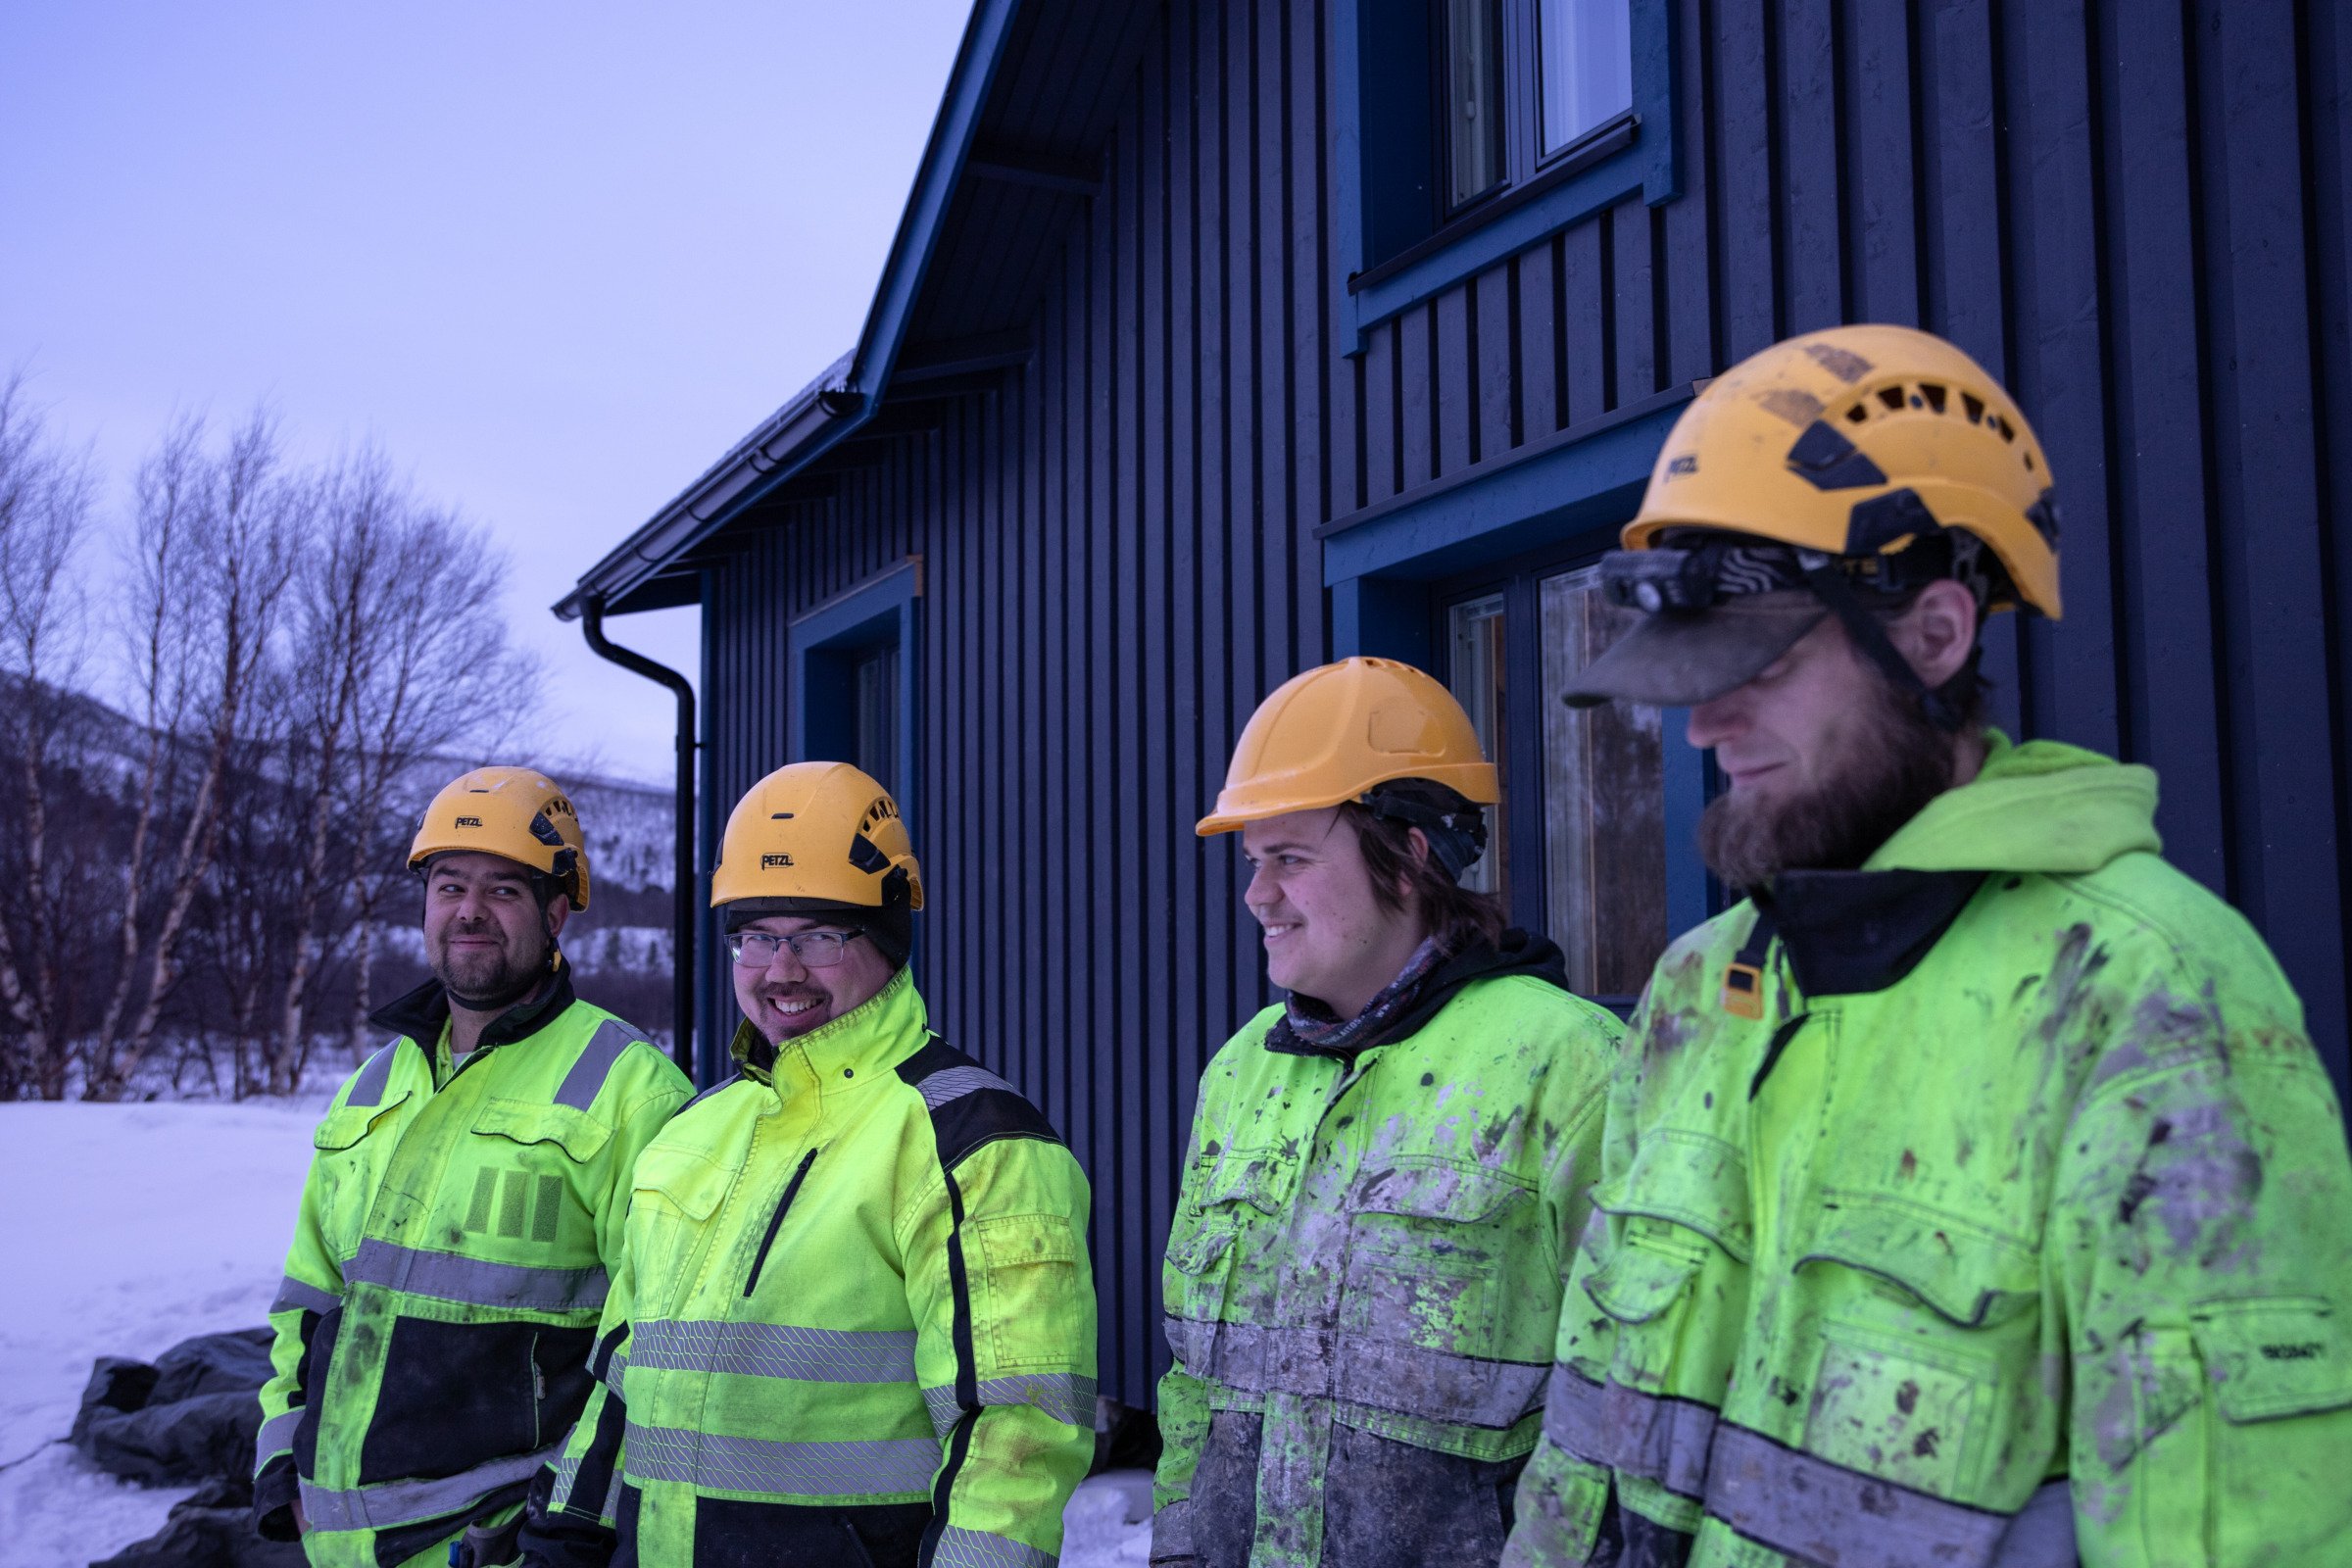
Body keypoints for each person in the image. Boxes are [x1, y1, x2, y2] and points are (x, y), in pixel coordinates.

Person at [1503, 323, 2352, 1566]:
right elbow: (1585, 1467)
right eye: (1692, 675)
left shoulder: (2155, 1002)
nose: (1702, 728)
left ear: (1937, 635)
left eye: (1759, 662)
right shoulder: (1701, 987)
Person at [519, 760, 1097, 1567]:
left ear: (889, 940)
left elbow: (1016, 1436)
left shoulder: (973, 1139)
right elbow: (621, 1382)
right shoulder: (693, 1132)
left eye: (820, 936)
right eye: (756, 936)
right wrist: (566, 1536)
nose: (781, 970)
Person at [1152, 659, 1625, 1568]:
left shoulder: (1567, 1065)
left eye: (1290, 858)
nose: (1258, 895)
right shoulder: (1240, 1073)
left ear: (1409, 859)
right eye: (1255, 863)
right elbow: (1190, 1387)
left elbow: (1616, 1414)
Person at [253, 766, 693, 1568]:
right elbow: (309, 1299)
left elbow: (652, 1347)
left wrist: (566, 1526)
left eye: (504, 892)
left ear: (556, 913)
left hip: (499, 1543)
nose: (470, 913)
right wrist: (282, 1460)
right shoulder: (374, 1084)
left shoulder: (633, 1090)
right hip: (338, 1541)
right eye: (450, 885)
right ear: (425, 907)